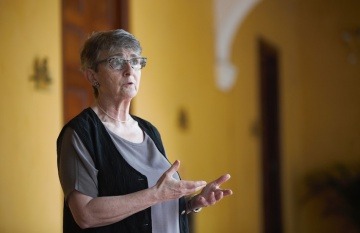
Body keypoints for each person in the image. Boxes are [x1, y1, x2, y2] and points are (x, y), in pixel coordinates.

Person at [57, 29, 233, 233]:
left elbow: (155, 203)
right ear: (92, 75)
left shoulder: (149, 130)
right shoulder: (80, 133)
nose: (129, 70)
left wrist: (192, 203)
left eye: (135, 61)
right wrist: (157, 194)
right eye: (116, 61)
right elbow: (85, 214)